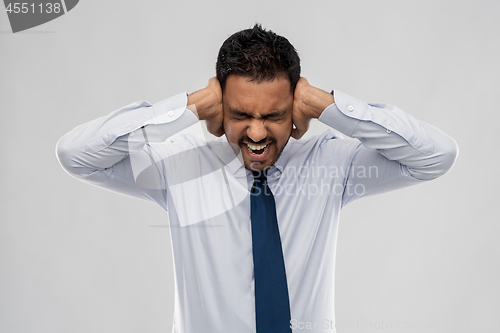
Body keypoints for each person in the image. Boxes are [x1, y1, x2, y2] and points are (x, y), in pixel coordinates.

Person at [56, 24, 458, 333]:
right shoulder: (177, 166)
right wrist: (189, 106)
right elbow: (78, 155)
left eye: (273, 115)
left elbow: (435, 156)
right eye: (241, 114)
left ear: (295, 111)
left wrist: (328, 105)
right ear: (221, 110)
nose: (257, 133)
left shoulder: (332, 163)